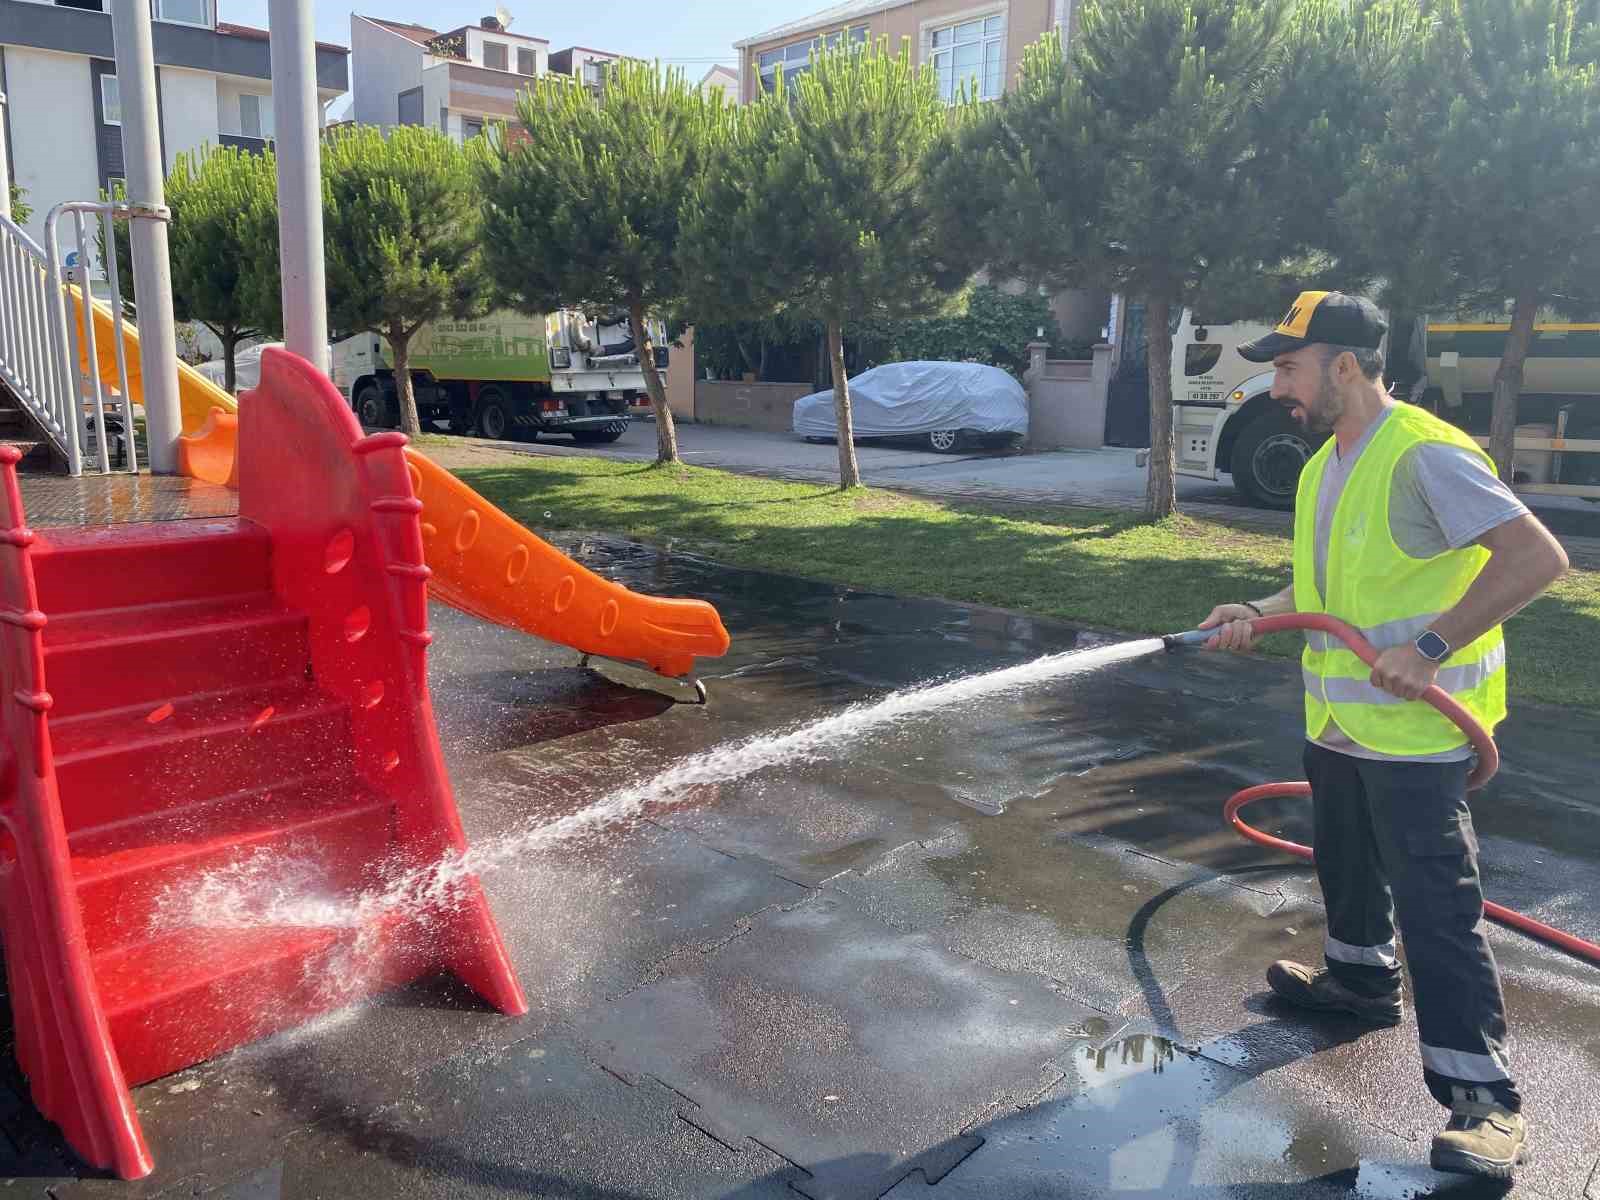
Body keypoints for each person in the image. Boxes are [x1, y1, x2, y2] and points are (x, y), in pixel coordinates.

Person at [1197, 291, 1568, 1181]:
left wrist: (1432, 649)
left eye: (1288, 366)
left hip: (1414, 734)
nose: (1276, 384)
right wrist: (1260, 610)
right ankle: (1360, 983)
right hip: (1340, 723)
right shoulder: (1329, 461)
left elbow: (1538, 558)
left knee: (1438, 908)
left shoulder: (1425, 452)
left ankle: (1484, 1103)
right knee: (1346, 860)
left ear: (1347, 366)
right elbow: (1329, 596)